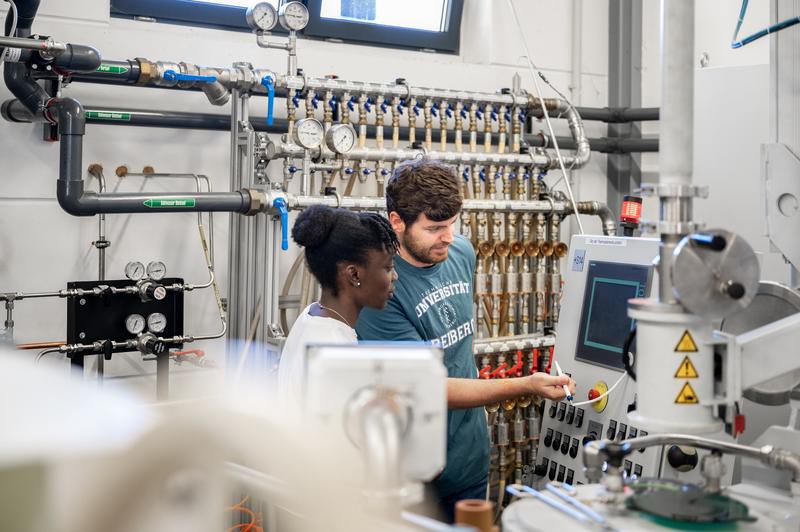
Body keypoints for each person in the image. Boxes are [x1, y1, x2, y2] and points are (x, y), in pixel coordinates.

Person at [356, 159, 576, 521]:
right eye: (434, 228)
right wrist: (526, 385)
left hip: (471, 456)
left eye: (452, 224)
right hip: (416, 474)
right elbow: (426, 388)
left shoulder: (460, 252)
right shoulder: (381, 289)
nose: (447, 236)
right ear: (397, 222)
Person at [277, 204, 399, 404]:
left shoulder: (312, 315)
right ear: (354, 274)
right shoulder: (335, 351)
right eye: (387, 268)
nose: (395, 276)